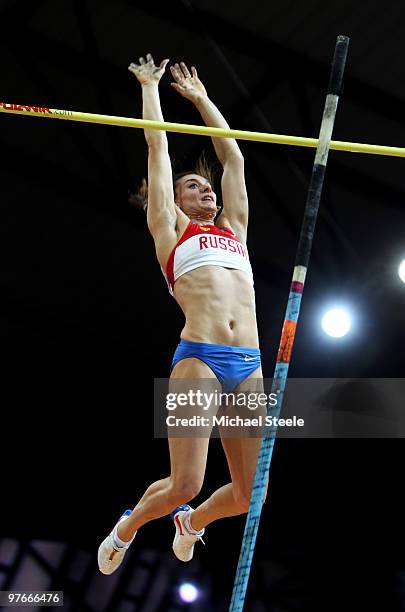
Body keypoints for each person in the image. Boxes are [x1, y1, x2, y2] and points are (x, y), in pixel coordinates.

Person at [98, 54, 265, 575]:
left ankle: (192, 524)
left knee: (247, 496)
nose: (206, 188)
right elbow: (157, 144)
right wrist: (151, 88)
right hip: (202, 357)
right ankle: (126, 528)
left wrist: (200, 99)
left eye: (206, 185)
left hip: (251, 363)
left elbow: (232, 159)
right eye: (193, 186)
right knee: (185, 482)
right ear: (171, 199)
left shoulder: (234, 229)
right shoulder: (170, 232)